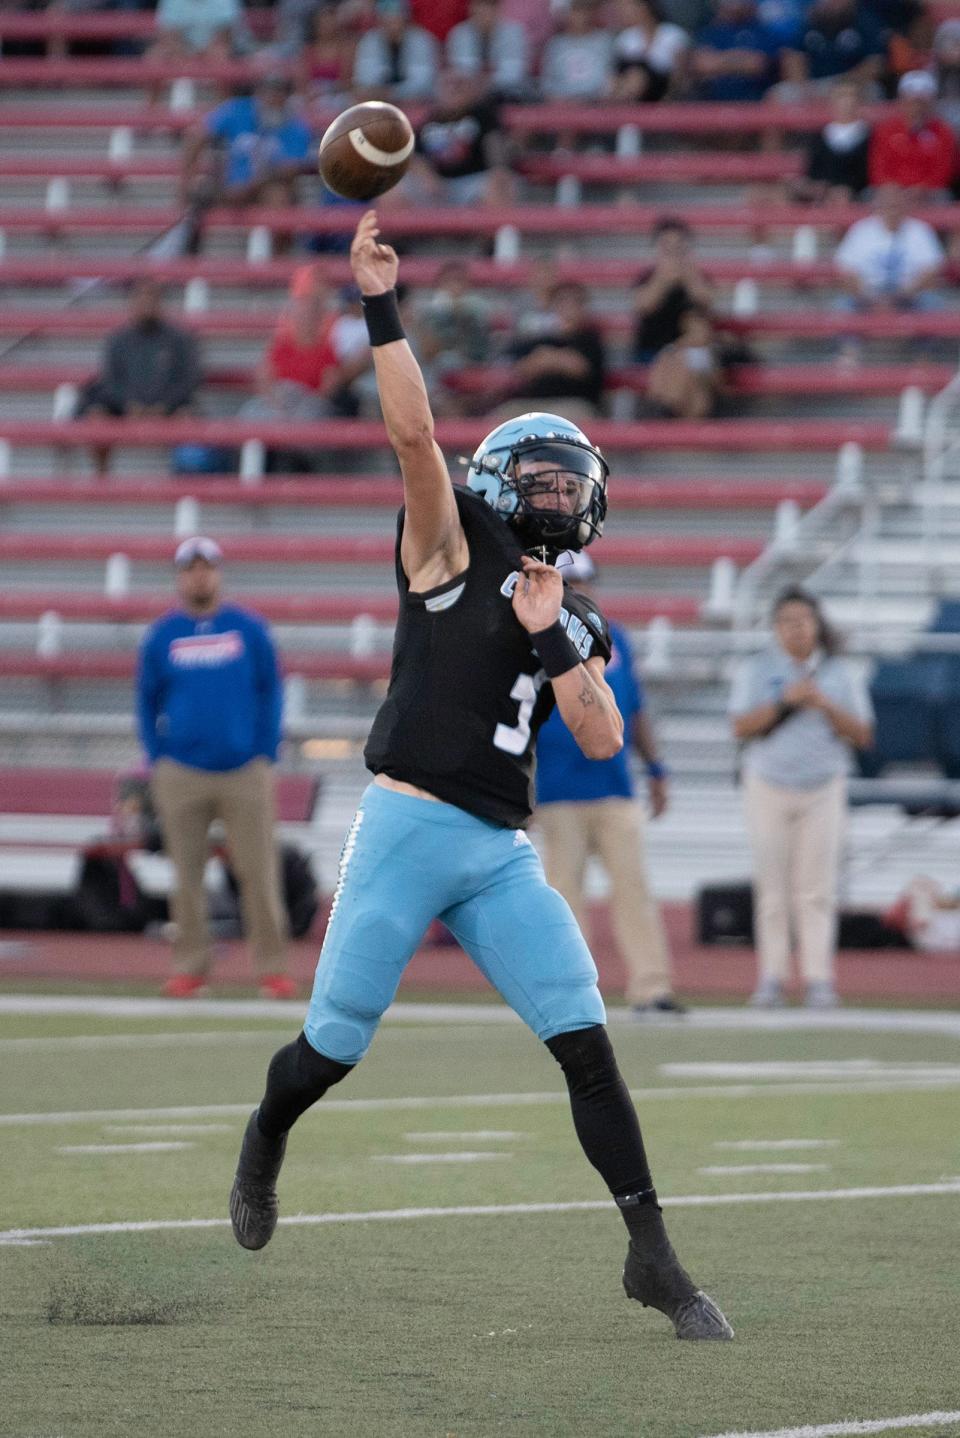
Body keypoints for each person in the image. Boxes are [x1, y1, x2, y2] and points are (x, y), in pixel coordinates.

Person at [228, 207, 734, 1344]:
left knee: (584, 1035)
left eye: (571, 485)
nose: (556, 500)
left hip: (502, 851)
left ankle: (653, 1255)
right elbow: (412, 437)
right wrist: (378, 302)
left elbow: (599, 738)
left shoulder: (578, 611)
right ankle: (268, 1134)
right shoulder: (449, 541)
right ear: (503, 483)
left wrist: (557, 637)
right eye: (541, 483)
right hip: (407, 826)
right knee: (333, 1045)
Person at [137, 536, 295, 1001]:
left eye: (206, 567)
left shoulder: (247, 629)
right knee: (184, 877)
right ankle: (190, 967)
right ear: (179, 577)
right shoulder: (162, 635)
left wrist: (265, 749)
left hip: (244, 769)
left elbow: (271, 690)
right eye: (190, 568)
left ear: (218, 573)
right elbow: (147, 700)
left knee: (258, 872)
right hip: (181, 771)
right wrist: (157, 755)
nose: (199, 576)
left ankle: (273, 969)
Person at [535, 550, 684, 1017]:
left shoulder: (613, 637)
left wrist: (655, 768)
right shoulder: (535, 638)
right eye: (571, 583)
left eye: (585, 582)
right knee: (564, 898)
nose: (580, 590)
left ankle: (651, 988)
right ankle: (571, 992)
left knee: (633, 890)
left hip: (614, 784)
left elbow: (634, 710)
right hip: (556, 788)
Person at [728, 586, 874, 1009]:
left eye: (803, 621)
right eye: (787, 622)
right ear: (775, 628)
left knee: (817, 888)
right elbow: (741, 726)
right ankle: (772, 977)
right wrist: (785, 702)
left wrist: (823, 703)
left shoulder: (838, 672)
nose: (796, 630)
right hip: (768, 783)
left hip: (824, 785)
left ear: (816, 625)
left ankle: (818, 979)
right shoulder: (758, 669)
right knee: (772, 888)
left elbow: (863, 734)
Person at [74, 278, 200, 478]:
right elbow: (111, 382)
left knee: (188, 421)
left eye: (152, 297)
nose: (146, 303)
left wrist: (163, 407)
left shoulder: (180, 340)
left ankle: (183, 480)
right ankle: (102, 477)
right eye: (141, 298)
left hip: (170, 409)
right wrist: (130, 405)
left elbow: (188, 381)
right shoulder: (118, 340)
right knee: (96, 417)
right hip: (125, 409)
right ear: (132, 303)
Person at [180, 75, 312, 209]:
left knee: (278, 195)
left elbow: (288, 170)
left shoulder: (296, 127)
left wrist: (248, 187)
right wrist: (190, 176)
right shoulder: (237, 110)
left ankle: (268, 229)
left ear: (286, 97)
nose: (271, 98)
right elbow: (198, 136)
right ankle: (187, 226)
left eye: (278, 92)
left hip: (263, 186)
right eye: (267, 91)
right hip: (227, 181)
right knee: (199, 188)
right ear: (257, 93)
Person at [496, 280, 607, 423]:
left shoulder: (591, 339)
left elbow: (581, 368)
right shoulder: (539, 338)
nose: (568, 306)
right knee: (499, 421)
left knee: (564, 422)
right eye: (562, 301)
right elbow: (519, 369)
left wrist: (548, 358)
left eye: (575, 302)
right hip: (530, 403)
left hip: (573, 404)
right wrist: (556, 360)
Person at [834, 183, 945, 316]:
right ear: (878, 205)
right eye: (887, 204)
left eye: (895, 204)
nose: (892, 209)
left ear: (904, 205)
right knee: (841, 308)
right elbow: (846, 271)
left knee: (933, 305)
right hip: (868, 295)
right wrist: (870, 298)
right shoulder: (860, 229)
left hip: (910, 295)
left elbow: (931, 271)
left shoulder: (920, 230)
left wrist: (902, 296)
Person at [631, 217, 715, 363]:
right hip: (653, 352)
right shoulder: (646, 277)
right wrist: (662, 279)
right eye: (667, 248)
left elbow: (706, 301)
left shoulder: (698, 277)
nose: (673, 254)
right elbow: (643, 306)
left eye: (679, 247)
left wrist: (689, 276)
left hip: (692, 351)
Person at [869, 70, 957, 198]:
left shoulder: (943, 131)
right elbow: (878, 167)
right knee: (871, 196)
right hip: (891, 191)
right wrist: (892, 188)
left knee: (943, 196)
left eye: (921, 103)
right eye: (911, 102)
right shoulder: (886, 129)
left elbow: (944, 169)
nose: (916, 108)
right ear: (902, 101)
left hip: (930, 191)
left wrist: (922, 188)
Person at [645, 304, 726, 419]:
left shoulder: (712, 353)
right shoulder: (670, 352)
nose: (699, 329)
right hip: (673, 400)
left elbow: (720, 385)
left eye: (701, 324)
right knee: (677, 363)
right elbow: (655, 390)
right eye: (693, 326)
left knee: (687, 372)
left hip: (699, 403)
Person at [352, 0, 439, 101]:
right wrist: (379, 91)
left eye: (396, 19)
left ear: (405, 19)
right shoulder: (370, 40)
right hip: (378, 97)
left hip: (415, 100)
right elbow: (364, 76)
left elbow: (423, 81)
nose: (392, 24)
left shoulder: (422, 40)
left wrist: (394, 93)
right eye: (387, 20)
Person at [609, 0, 691, 103]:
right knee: (629, 77)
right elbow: (618, 72)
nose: (625, 12)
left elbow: (681, 73)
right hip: (632, 85)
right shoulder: (626, 37)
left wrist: (669, 97)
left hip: (661, 85)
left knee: (637, 77)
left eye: (630, 8)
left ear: (645, 8)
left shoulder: (672, 34)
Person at [445, 0, 531, 98]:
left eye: (486, 9)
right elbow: (460, 71)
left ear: (496, 10)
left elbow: (514, 72)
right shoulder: (459, 33)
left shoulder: (514, 33)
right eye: (478, 10)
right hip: (469, 95)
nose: (483, 15)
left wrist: (488, 82)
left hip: (507, 93)